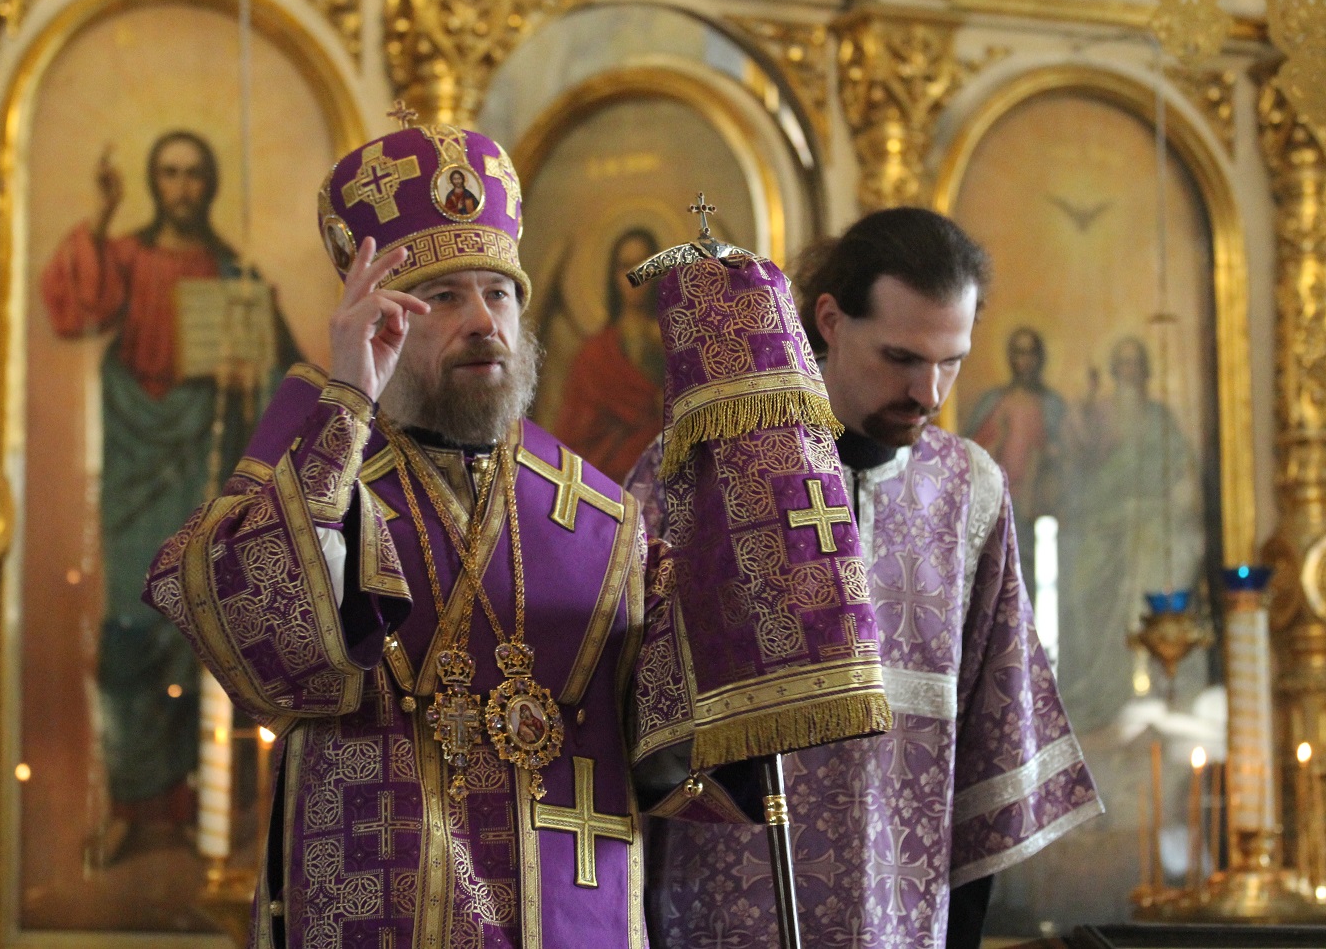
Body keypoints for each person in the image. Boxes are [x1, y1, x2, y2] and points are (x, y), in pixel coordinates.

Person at [141, 121, 882, 947]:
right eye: (443, 297)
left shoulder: (602, 519)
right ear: (377, 319)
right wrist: (346, 399)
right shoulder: (318, 476)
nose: (482, 322)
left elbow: (675, 734)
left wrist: (753, 524)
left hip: (573, 912)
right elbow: (262, 644)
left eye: (498, 294)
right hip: (381, 906)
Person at [627, 207, 1100, 949]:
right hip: (723, 914)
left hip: (900, 923)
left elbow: (991, 744)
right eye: (902, 357)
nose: (930, 392)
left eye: (951, 361)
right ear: (830, 320)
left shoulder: (970, 491)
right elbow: (629, 712)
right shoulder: (698, 464)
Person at [41, 130, 296, 860]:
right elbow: (73, 307)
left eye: (192, 174)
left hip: (201, 461)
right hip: (133, 454)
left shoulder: (235, 273)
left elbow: (289, 383)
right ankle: (130, 798)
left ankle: (192, 800)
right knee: (129, 624)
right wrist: (101, 215)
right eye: (169, 174)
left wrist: (248, 377)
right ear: (154, 183)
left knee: (195, 625)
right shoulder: (123, 254)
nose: (181, 187)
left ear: (208, 184)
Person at [1058, 335, 1202, 732]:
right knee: (1089, 596)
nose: (1128, 372)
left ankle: (1154, 692)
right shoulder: (1101, 413)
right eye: (1121, 364)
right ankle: (1101, 693)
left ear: (1144, 371)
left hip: (1151, 526)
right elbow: (1081, 460)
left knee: (1147, 592)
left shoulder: (1159, 417)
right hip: (1103, 526)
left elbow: (1180, 467)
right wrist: (1085, 409)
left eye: (1135, 363)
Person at [552, 228, 667, 481]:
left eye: (645, 265)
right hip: (606, 486)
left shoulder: (675, 343)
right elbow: (574, 439)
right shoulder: (595, 356)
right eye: (626, 266)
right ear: (614, 275)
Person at [964, 326, 1066, 578]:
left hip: (1037, 502)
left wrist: (1050, 458)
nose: (1025, 361)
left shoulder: (1052, 404)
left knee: (1033, 572)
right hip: (998, 501)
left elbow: (1068, 457)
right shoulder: (994, 401)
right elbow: (972, 452)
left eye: (1031, 353)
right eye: (1020, 353)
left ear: (1039, 358)